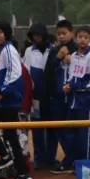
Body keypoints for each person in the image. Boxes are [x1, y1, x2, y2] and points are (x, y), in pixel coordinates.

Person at [0, 20, 32, 179]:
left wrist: (2, 92)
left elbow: (15, 73)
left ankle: (17, 167)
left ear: (6, 33)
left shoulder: (9, 50)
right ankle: (15, 166)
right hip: (6, 99)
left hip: (9, 99)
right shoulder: (2, 51)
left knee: (0, 130)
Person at [24, 23, 58, 170]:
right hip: (36, 96)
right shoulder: (29, 51)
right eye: (34, 36)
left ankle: (51, 157)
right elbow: (26, 72)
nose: (36, 38)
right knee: (37, 127)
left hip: (51, 96)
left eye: (39, 35)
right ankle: (39, 157)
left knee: (52, 127)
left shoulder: (54, 49)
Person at [45, 19, 78, 174]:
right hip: (57, 97)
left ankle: (73, 160)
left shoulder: (78, 50)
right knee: (60, 129)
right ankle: (69, 159)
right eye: (59, 34)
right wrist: (58, 57)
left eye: (64, 33)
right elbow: (48, 72)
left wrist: (72, 61)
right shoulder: (54, 51)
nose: (62, 36)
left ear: (71, 33)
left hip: (74, 97)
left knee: (74, 129)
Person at [63, 26, 90, 162]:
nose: (82, 40)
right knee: (72, 134)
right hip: (73, 102)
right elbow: (71, 76)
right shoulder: (73, 56)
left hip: (86, 102)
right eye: (80, 37)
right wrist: (66, 85)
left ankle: (87, 163)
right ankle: (75, 162)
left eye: (86, 37)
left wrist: (75, 86)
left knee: (86, 135)